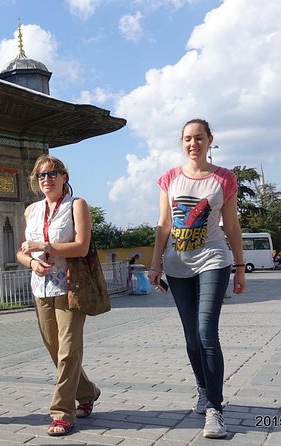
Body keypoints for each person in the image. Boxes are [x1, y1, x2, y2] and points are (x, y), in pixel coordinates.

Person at [148, 118, 246, 439]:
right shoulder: (170, 179)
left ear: (210, 140)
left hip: (213, 259)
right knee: (191, 338)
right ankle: (203, 388)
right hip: (177, 264)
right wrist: (155, 265)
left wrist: (241, 266)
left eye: (199, 137)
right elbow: (163, 224)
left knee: (206, 331)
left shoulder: (224, 179)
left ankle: (216, 409)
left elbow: (231, 226)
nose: (194, 143)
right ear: (182, 142)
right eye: (188, 138)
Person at [17, 154, 100, 437]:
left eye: (53, 174)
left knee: (68, 350)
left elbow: (81, 246)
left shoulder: (76, 206)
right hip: (40, 288)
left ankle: (62, 412)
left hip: (70, 287)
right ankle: (87, 391)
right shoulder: (31, 210)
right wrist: (32, 262)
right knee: (55, 349)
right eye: (41, 175)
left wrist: (45, 246)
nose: (47, 179)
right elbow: (21, 250)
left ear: (65, 177)